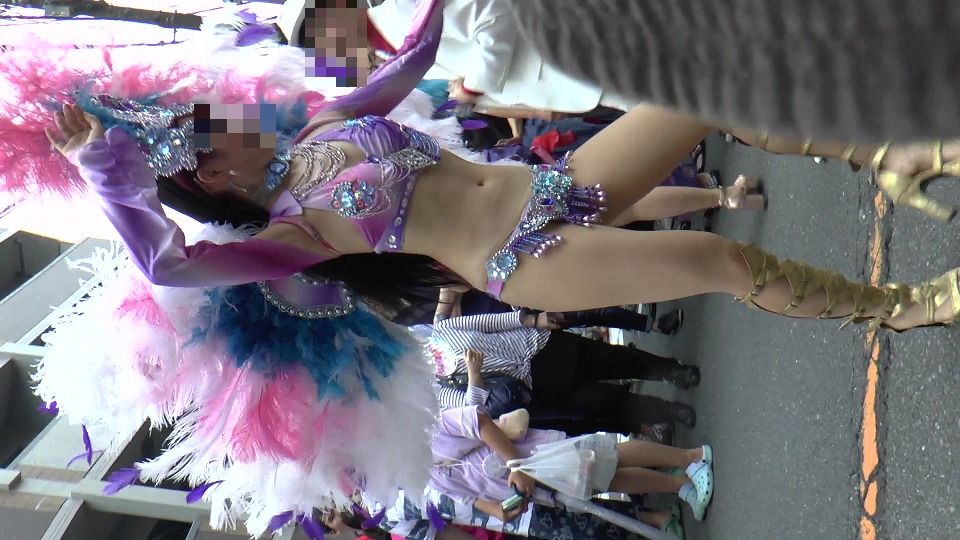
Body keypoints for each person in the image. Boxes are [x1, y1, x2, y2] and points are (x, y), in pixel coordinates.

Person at [429, 405, 714, 522]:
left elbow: (479, 420)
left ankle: (692, 457)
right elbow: (469, 497)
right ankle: (680, 486)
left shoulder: (430, 426)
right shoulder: (426, 475)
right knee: (610, 481)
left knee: (613, 456)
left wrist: (515, 465)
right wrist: (497, 510)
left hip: (537, 453)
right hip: (538, 486)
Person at [429, 311, 699, 431]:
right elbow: (473, 410)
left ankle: (671, 370)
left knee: (614, 358)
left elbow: (489, 323)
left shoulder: (440, 332)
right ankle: (669, 411)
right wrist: (474, 376)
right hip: (531, 389)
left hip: (536, 344)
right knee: (606, 402)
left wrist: (532, 319)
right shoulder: (434, 392)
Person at [366, 0, 638, 113]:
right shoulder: (385, 53)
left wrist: (472, 87)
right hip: (562, 80)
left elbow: (494, 13)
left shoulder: (401, 10)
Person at [326, 487, 685, 540]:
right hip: (497, 507)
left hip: (498, 499)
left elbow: (441, 512)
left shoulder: (382, 505)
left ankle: (656, 518)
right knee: (576, 514)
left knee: (577, 513)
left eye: (328, 519)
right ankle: (653, 519)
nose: (334, 527)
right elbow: (440, 531)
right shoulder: (384, 516)